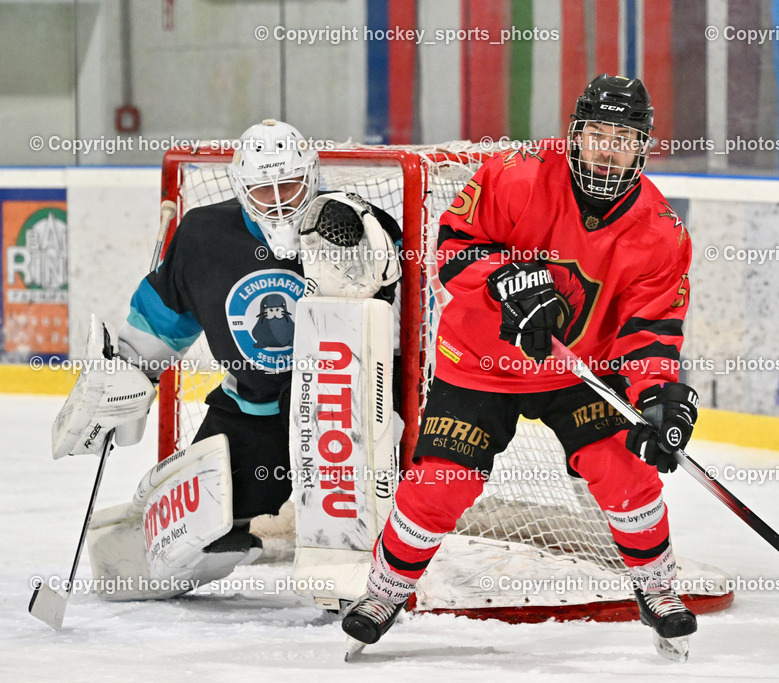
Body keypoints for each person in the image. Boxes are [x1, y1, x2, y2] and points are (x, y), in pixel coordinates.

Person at [342, 74, 700, 652]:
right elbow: (452, 251)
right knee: (441, 483)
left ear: (642, 146)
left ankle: (656, 587)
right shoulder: (517, 174)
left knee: (625, 472)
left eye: (623, 138)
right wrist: (506, 280)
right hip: (481, 362)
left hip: (579, 371)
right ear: (575, 134)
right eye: (598, 133)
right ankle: (385, 589)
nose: (608, 148)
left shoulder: (661, 233)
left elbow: (650, 331)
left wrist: (656, 396)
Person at [53, 119, 402, 593]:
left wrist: (366, 244)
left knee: (348, 543)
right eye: (264, 190)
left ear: (313, 176)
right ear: (240, 188)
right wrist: (127, 374)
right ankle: (254, 536)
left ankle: (363, 570)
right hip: (251, 411)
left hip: (341, 413)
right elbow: (164, 320)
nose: (279, 200)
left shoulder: (351, 225)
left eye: (291, 185)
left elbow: (388, 318)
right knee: (189, 534)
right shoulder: (204, 235)